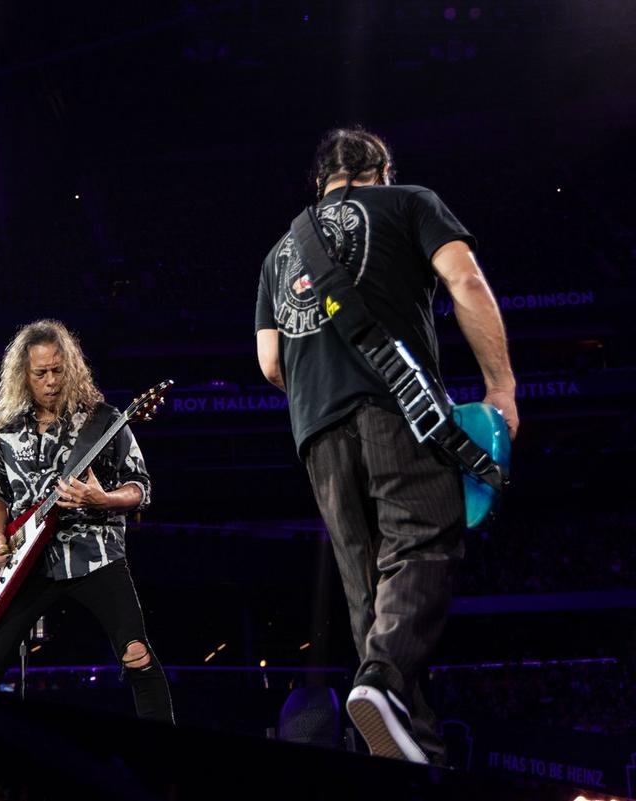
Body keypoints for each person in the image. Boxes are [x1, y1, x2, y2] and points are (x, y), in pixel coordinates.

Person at [254, 128, 518, 763]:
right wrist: (501, 388)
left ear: (320, 180)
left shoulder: (279, 253)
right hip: (396, 408)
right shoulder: (411, 201)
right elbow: (466, 282)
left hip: (316, 432)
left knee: (370, 593)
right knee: (424, 542)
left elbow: (269, 363)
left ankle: (412, 753)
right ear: (383, 170)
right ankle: (382, 680)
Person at [0, 319, 174, 722]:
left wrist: (103, 498)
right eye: (40, 373)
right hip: (28, 562)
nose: (51, 381)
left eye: (58, 370)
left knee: (137, 655)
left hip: (95, 554)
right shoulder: (4, 428)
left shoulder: (104, 420)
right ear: (23, 375)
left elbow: (141, 487)